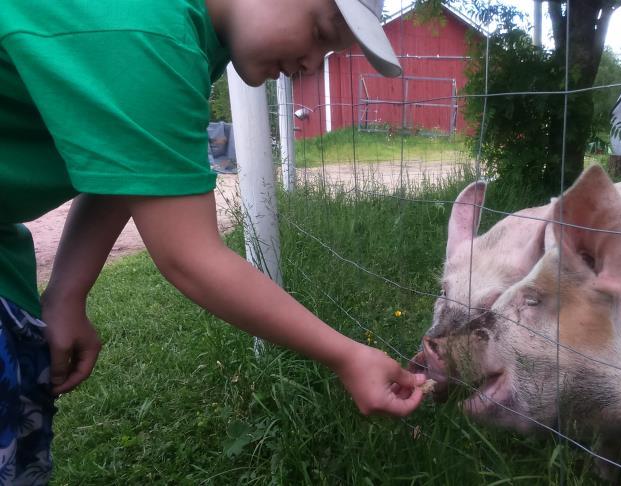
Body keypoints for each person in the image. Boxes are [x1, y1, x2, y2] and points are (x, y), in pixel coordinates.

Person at [0, 0, 425, 482]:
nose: (311, 64)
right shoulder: (148, 29)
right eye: (322, 31)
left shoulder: (187, 36)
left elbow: (131, 166)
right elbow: (190, 255)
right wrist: (347, 355)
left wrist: (67, 294)